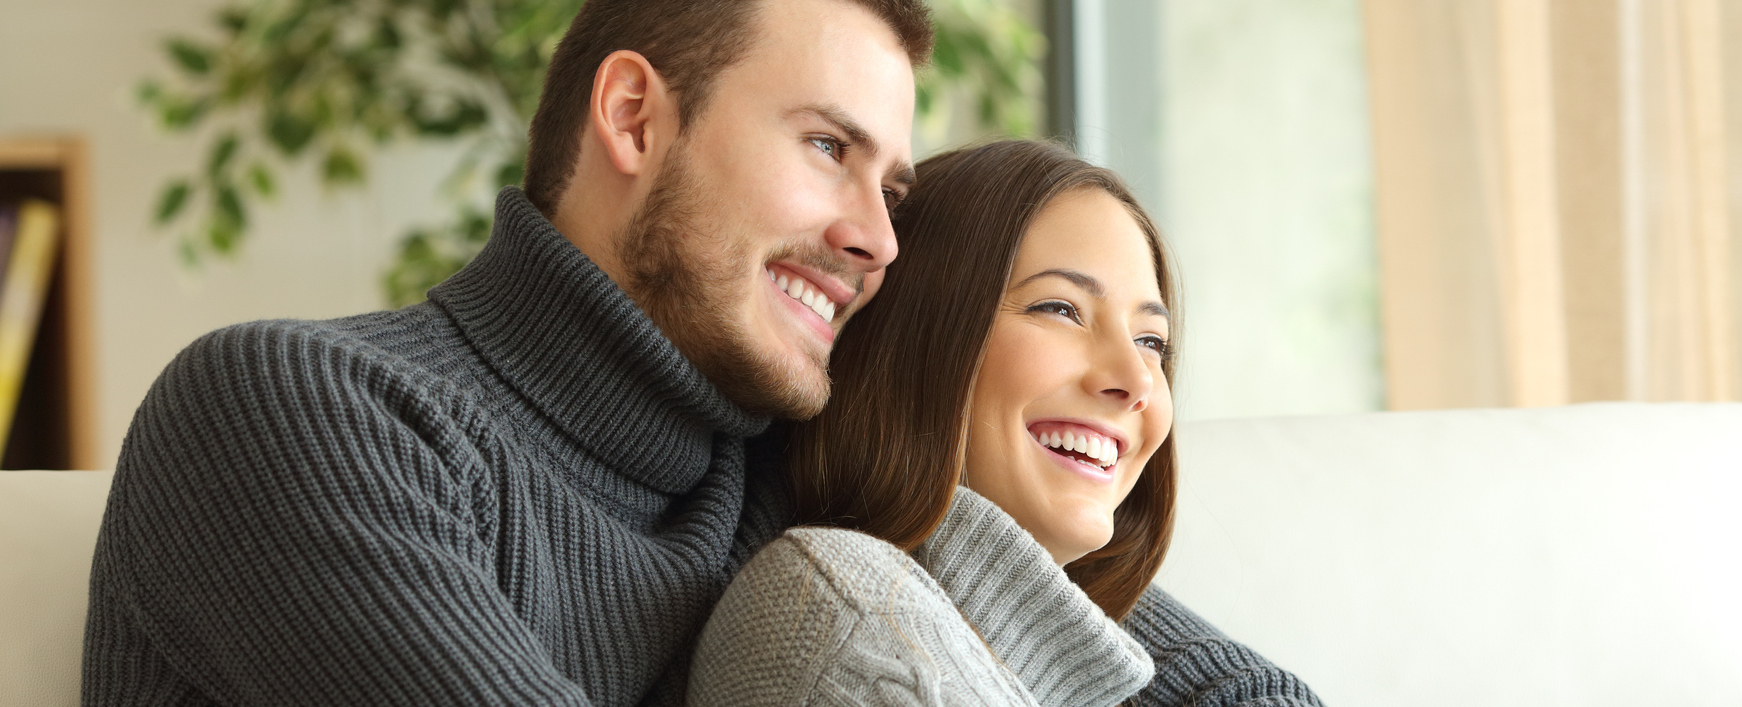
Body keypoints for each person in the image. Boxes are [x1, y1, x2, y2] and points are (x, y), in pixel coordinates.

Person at [82, 0, 1304, 703]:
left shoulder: (780, 479)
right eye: (830, 148)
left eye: (893, 183)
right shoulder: (300, 413)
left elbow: (1231, 694)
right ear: (633, 118)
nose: (877, 239)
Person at [686, 140, 1319, 706]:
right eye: (1060, 309)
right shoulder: (836, 616)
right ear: (911, 345)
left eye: (1153, 341)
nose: (1137, 380)